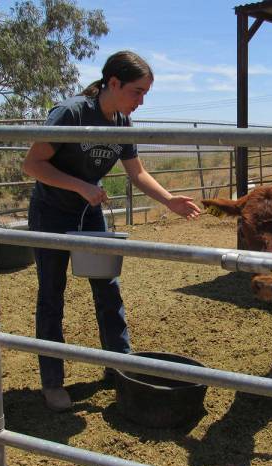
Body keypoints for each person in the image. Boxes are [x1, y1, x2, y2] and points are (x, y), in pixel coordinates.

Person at [23, 50, 201, 411]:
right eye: (137, 91)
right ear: (113, 83)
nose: (141, 101)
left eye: (145, 93)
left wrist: (169, 201)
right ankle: (53, 382)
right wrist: (80, 186)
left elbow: (137, 173)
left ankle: (120, 366)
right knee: (52, 296)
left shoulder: (121, 123)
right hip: (52, 213)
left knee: (107, 288)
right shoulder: (72, 114)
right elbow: (33, 164)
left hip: (88, 211)